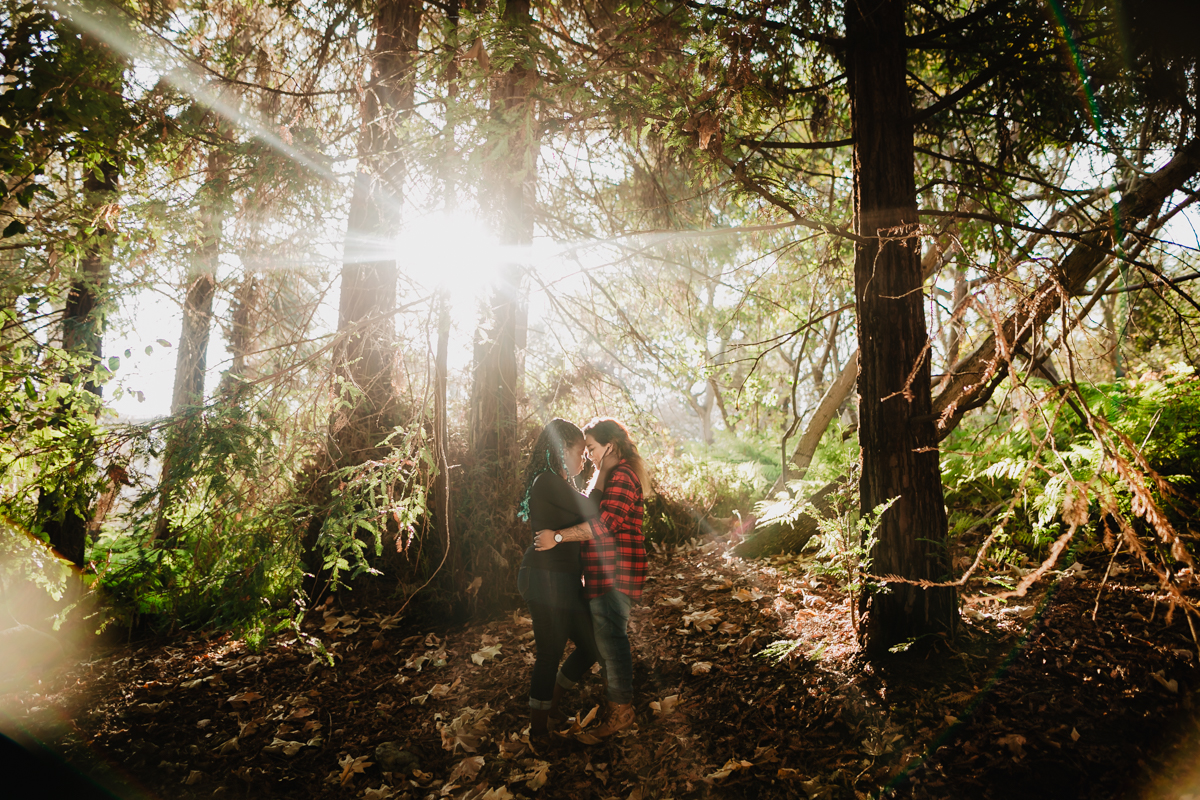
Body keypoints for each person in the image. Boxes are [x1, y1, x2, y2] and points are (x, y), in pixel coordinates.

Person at [535, 416, 648, 740]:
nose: (589, 456)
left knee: (612, 643)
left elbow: (604, 526)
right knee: (604, 643)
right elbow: (591, 509)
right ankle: (608, 706)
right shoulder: (610, 477)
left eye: (593, 449)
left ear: (609, 445)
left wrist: (557, 538)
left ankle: (620, 713)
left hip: (616, 575)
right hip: (601, 577)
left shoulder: (623, 476)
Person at [516, 418, 603, 742]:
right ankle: (538, 732)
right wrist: (605, 470)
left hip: (564, 580)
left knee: (591, 646)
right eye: (581, 453)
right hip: (544, 577)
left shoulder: (561, 483)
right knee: (550, 653)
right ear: (561, 449)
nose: (584, 460)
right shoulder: (547, 481)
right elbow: (592, 510)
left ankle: (551, 707)